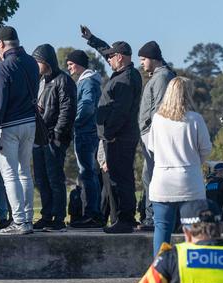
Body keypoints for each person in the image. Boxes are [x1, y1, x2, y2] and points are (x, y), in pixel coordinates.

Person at [82, 26, 143, 234]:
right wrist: (91, 39)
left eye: (111, 57)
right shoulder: (123, 72)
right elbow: (107, 51)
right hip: (116, 136)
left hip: (119, 137)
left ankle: (125, 219)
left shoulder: (126, 78)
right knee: (117, 176)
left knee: (121, 178)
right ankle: (121, 218)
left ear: (120, 57)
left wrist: (109, 135)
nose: (107, 60)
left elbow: (120, 112)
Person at [146, 77, 212, 256]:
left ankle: (160, 273)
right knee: (196, 230)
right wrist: (194, 160)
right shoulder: (195, 119)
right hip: (189, 181)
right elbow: (206, 148)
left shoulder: (158, 119)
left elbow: (151, 147)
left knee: (162, 229)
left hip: (162, 181)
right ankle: (198, 271)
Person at [0, 26, 38, 235]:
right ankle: (27, 219)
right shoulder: (32, 62)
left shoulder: (2, 68)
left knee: (10, 175)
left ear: (0, 44)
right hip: (30, 122)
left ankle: (19, 221)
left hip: (10, 126)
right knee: (25, 172)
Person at [31, 43, 77, 232]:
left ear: (46, 61)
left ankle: (58, 217)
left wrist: (57, 134)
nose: (36, 65)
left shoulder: (63, 81)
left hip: (53, 138)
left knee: (54, 178)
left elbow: (67, 110)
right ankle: (46, 215)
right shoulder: (41, 81)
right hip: (39, 137)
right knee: (41, 179)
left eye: (38, 61)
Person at [137, 41, 176, 232]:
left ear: (152, 58)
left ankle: (153, 219)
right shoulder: (158, 76)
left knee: (151, 176)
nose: (142, 63)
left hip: (154, 135)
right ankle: (151, 217)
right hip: (150, 134)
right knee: (148, 176)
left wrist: (150, 131)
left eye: (143, 59)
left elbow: (159, 108)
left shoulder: (162, 78)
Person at [66, 50, 104, 228]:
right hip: (89, 131)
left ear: (79, 64)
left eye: (71, 63)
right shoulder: (89, 80)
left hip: (85, 132)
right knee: (89, 174)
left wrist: (75, 122)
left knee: (87, 174)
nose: (68, 66)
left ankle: (91, 214)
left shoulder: (87, 81)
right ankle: (93, 213)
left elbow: (87, 106)